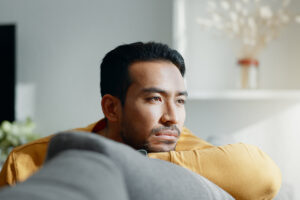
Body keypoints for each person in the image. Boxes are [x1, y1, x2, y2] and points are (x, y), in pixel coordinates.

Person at [0, 42, 281, 199]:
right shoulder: (29, 161)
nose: (172, 117)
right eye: (154, 99)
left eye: (180, 101)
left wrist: (132, 163)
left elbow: (264, 177)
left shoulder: (184, 146)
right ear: (111, 108)